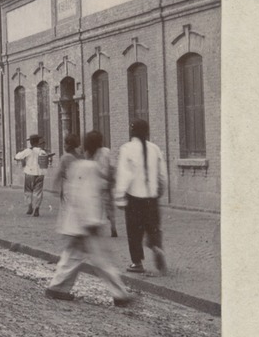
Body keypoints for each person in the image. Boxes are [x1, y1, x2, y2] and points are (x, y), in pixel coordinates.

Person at [45, 130, 135, 304]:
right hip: (86, 223)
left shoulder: (78, 165)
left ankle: (56, 288)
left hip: (74, 222)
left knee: (71, 257)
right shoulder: (91, 168)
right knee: (102, 260)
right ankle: (120, 294)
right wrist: (92, 222)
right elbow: (87, 197)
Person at [115, 118, 169, 275]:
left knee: (134, 232)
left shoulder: (127, 148)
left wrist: (119, 196)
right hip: (151, 198)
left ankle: (137, 262)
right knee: (152, 228)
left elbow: (124, 175)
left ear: (132, 131)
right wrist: (159, 192)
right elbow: (162, 175)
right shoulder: (155, 149)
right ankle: (156, 246)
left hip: (134, 199)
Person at [91, 131, 118, 238]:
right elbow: (112, 166)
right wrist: (112, 179)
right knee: (110, 206)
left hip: (96, 183)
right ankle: (113, 226)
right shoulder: (107, 151)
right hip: (106, 183)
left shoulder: (92, 154)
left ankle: (96, 227)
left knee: (97, 206)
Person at [13, 134, 48, 216]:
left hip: (29, 173)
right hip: (40, 173)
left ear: (31, 142)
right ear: (38, 142)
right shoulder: (42, 151)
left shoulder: (27, 151)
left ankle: (29, 207)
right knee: (38, 192)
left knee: (28, 191)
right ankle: (36, 208)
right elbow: (45, 159)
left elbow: (17, 157)